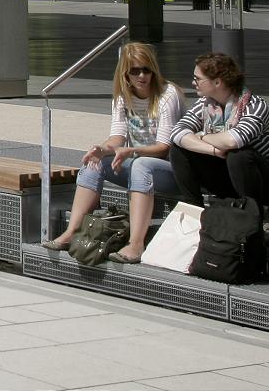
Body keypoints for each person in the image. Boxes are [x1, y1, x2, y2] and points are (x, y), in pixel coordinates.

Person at [45, 42, 184, 263]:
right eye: (135, 71)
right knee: (95, 163)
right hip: (138, 163)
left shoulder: (168, 95)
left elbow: (164, 147)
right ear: (125, 74)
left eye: (146, 69)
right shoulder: (122, 97)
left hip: (169, 170)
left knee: (141, 165)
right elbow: (117, 138)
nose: (142, 76)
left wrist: (130, 150)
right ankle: (72, 232)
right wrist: (102, 149)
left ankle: (136, 244)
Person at [170, 52, 269, 217]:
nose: (193, 83)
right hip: (230, 176)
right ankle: (194, 213)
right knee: (179, 150)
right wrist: (212, 151)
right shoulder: (205, 104)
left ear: (217, 82)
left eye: (198, 79)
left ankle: (252, 221)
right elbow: (177, 132)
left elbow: (234, 140)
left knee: (238, 155)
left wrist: (201, 137)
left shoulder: (254, 106)